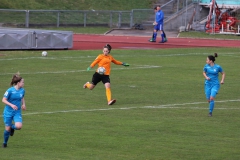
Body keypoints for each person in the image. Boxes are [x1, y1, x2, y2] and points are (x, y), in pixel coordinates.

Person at [2, 73, 26, 148]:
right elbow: (3, 100)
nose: (23, 83)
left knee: (19, 126)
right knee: (7, 130)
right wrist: (11, 105)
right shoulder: (10, 90)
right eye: (22, 82)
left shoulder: (22, 90)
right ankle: (5, 143)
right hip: (8, 112)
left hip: (17, 112)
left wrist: (23, 104)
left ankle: (13, 127)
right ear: (18, 83)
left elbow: (22, 97)